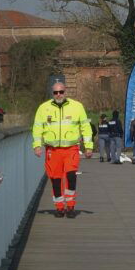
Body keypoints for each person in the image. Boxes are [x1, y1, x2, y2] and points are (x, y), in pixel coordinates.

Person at [32, 82, 93, 218]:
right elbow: (37, 128)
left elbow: (85, 127)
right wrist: (36, 146)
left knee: (71, 176)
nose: (58, 94)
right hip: (52, 151)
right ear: (52, 93)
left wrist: (88, 147)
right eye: (55, 92)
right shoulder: (43, 108)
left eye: (61, 92)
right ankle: (59, 206)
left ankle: (70, 206)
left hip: (71, 149)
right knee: (55, 179)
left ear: (65, 92)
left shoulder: (77, 107)